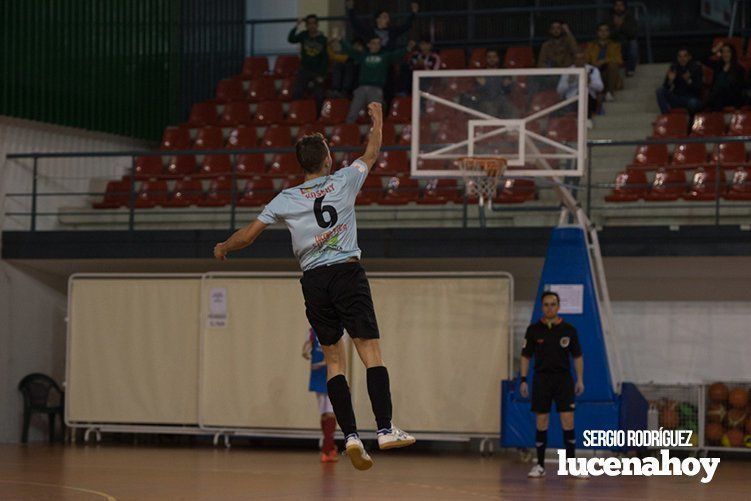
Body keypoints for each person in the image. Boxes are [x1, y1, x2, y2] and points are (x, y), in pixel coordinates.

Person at [213, 103, 415, 472]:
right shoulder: (344, 179)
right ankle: (385, 429)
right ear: (327, 159)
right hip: (347, 273)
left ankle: (350, 435)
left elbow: (248, 235)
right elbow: (372, 151)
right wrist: (378, 118)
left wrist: (224, 247)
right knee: (370, 353)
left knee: (334, 362)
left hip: (314, 282)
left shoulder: (285, 198)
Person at [519, 291, 585, 479]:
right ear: (542, 307)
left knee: (568, 420)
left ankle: (571, 466)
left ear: (559, 306)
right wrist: (523, 380)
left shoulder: (569, 330)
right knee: (541, 421)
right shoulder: (533, 330)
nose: (550, 307)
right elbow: (525, 356)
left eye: (553, 304)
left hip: (563, 380)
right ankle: (539, 465)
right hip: (541, 380)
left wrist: (580, 379)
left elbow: (577, 356)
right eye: (546, 304)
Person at [342, 37, 415, 123]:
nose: (376, 45)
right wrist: (341, 41)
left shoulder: (385, 56)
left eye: (378, 43)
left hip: (376, 89)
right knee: (352, 113)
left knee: (375, 117)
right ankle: (349, 133)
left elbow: (397, 54)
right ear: (368, 45)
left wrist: (407, 48)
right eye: (374, 43)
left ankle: (375, 135)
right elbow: (351, 51)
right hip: (361, 88)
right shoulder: (363, 56)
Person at [302, 327, 339, 463]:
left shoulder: (315, 329)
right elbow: (307, 346)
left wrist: (307, 353)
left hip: (324, 372)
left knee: (326, 412)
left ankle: (328, 447)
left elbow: (305, 348)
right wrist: (307, 352)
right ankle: (328, 449)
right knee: (328, 412)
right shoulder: (316, 330)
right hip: (325, 372)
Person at [288, 15, 328, 111]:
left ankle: (317, 118)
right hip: (304, 70)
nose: (312, 26)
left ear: (317, 25)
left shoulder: (323, 39)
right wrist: (297, 25)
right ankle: (296, 113)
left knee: (319, 95)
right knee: (296, 93)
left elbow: (325, 58)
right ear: (306, 25)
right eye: (309, 23)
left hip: (317, 71)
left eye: (314, 23)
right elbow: (291, 39)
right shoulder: (303, 35)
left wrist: (322, 75)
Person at [346, 0, 419, 51]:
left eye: (388, 17)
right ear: (378, 19)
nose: (387, 19)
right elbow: (356, 25)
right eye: (384, 17)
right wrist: (350, 9)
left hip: (387, 60)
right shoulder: (370, 31)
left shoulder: (392, 31)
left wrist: (413, 13)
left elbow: (406, 26)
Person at [557, 50, 603, 128]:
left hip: (589, 100)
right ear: (573, 60)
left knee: (584, 94)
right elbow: (559, 90)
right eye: (577, 59)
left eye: (581, 59)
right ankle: (580, 120)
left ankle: (587, 118)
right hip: (571, 100)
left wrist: (589, 82)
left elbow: (600, 87)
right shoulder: (568, 71)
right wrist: (569, 83)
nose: (579, 61)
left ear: (585, 59)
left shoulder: (593, 70)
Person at [655, 48, 703, 115]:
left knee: (694, 103)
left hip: (690, 97)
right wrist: (670, 81)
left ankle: (691, 122)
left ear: (689, 57)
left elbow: (698, 88)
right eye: (680, 56)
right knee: (660, 91)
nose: (682, 59)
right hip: (677, 97)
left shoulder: (696, 68)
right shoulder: (674, 67)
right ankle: (667, 116)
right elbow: (666, 87)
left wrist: (688, 81)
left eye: (685, 56)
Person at [585, 23, 623, 102]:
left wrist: (604, 61)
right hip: (595, 71)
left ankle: (609, 93)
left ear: (609, 33)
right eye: (601, 30)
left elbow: (619, 60)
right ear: (597, 32)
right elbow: (586, 60)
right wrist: (594, 64)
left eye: (606, 30)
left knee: (612, 65)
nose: (603, 32)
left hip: (608, 73)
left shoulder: (615, 45)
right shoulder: (591, 45)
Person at [704, 42, 746, 111]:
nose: (725, 54)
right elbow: (703, 59)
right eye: (723, 52)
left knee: (716, 98)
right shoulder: (718, 66)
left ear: (732, 54)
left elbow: (738, 88)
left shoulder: (739, 69)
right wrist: (714, 50)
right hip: (717, 96)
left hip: (731, 97)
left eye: (728, 52)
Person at [607, 0, 638, 77]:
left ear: (624, 7)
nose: (618, 8)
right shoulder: (609, 17)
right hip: (613, 42)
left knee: (633, 44)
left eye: (621, 5)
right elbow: (607, 33)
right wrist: (616, 28)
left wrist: (621, 26)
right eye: (616, 5)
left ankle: (630, 70)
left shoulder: (630, 17)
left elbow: (633, 33)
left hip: (627, 42)